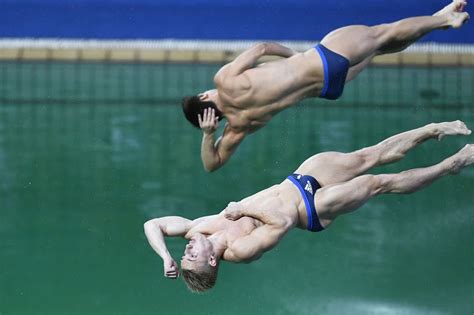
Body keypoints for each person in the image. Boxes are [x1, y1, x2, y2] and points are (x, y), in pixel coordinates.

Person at [144, 120, 473, 292]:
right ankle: (452, 164)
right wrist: (244, 210)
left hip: (298, 180)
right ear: (213, 260)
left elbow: (153, 225)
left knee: (370, 155)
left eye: (184, 255)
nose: (185, 251)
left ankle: (433, 130)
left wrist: (165, 257)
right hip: (311, 209)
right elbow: (282, 223)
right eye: (191, 258)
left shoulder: (198, 226)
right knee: (378, 183)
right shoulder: (238, 251)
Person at [180, 0, 470, 172]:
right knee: (382, 33)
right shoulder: (224, 80)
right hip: (322, 60)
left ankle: (438, 21)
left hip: (328, 87)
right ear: (204, 95)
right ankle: (444, 18)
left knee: (380, 48)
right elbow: (261, 48)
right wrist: (296, 56)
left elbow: (211, 165)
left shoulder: (240, 125)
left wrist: (208, 136)